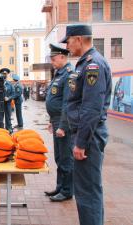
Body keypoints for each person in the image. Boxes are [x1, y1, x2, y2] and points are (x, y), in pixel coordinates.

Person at [62, 24, 112, 225]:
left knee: (87, 192)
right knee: (88, 190)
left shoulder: (93, 65)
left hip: (89, 138)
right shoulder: (85, 63)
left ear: (79, 39)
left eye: (68, 40)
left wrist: (81, 143)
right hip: (86, 134)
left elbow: (92, 108)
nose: (67, 45)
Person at [44, 44, 74, 202]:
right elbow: (54, 100)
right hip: (56, 120)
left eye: (54, 59)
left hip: (65, 123)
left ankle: (67, 191)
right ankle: (60, 187)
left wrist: (62, 125)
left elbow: (67, 103)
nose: (52, 62)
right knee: (58, 157)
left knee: (66, 158)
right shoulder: (58, 73)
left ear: (63, 57)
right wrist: (52, 121)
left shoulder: (69, 74)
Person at [0, 68, 14, 133]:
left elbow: (13, 93)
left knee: (8, 116)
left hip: (7, 103)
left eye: (5, 74)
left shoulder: (9, 84)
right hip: (0, 102)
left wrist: (9, 98)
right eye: (3, 74)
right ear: (1, 74)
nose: (4, 75)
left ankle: (9, 128)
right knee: (0, 117)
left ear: (7, 75)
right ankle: (1, 129)